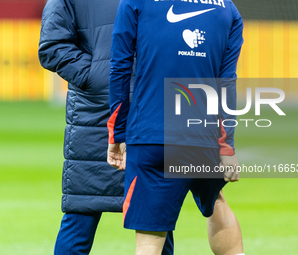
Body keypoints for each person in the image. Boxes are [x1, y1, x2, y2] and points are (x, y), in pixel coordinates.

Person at [107, 0, 245, 254]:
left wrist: (116, 134)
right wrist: (226, 147)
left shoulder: (135, 2)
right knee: (216, 202)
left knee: (150, 237)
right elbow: (227, 82)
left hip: (152, 134)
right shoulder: (227, 8)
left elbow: (119, 68)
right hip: (202, 137)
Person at [38, 0, 175, 254]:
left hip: (154, 106)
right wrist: (100, 77)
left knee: (157, 220)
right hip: (96, 113)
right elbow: (51, 46)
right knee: (82, 213)